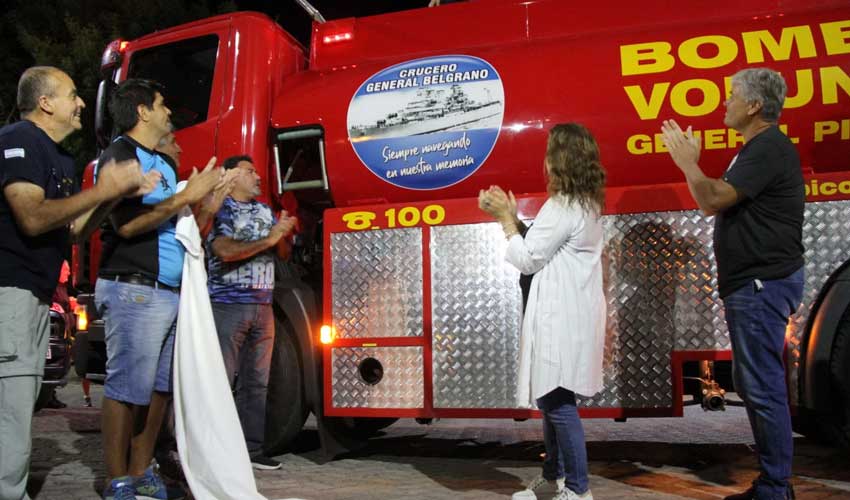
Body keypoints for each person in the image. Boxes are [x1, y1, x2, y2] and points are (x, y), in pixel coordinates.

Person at [0, 66, 150, 500]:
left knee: (21, 396)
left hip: (34, 293)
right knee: (11, 401)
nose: (82, 102)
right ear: (45, 103)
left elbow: (73, 231)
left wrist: (111, 195)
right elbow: (31, 217)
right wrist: (101, 188)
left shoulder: (58, 157)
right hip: (9, 290)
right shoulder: (19, 140)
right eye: (71, 95)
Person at [661, 68, 804, 500]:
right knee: (755, 383)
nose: (726, 104)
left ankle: (775, 488)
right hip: (754, 285)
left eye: (732, 96)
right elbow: (715, 200)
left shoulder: (767, 147)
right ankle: (772, 483)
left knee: (761, 386)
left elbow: (712, 200)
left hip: (760, 284)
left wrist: (687, 162)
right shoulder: (756, 150)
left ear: (754, 105)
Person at [95, 78, 222, 500]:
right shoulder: (119, 155)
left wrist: (204, 201)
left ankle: (141, 470)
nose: (170, 112)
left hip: (169, 290)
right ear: (143, 111)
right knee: (126, 387)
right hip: (135, 287)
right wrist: (188, 196)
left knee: (159, 389)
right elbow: (125, 225)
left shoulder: (163, 163)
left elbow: (175, 224)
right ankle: (117, 480)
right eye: (163, 103)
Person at [479, 123, 606, 500]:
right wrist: (516, 219)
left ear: (559, 158)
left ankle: (578, 490)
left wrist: (504, 220)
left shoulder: (563, 205)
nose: (545, 160)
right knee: (553, 397)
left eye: (550, 152)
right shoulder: (584, 203)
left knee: (557, 402)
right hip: (571, 313)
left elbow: (528, 258)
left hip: (560, 316)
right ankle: (552, 479)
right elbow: (542, 243)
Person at [206, 155, 296, 470]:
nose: (258, 176)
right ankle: (213, 451)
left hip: (263, 305)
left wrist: (283, 233)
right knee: (220, 379)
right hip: (228, 305)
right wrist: (269, 238)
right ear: (231, 175)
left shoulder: (263, 211)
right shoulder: (220, 209)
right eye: (250, 171)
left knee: (257, 383)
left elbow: (282, 253)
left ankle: (251, 450)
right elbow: (224, 250)